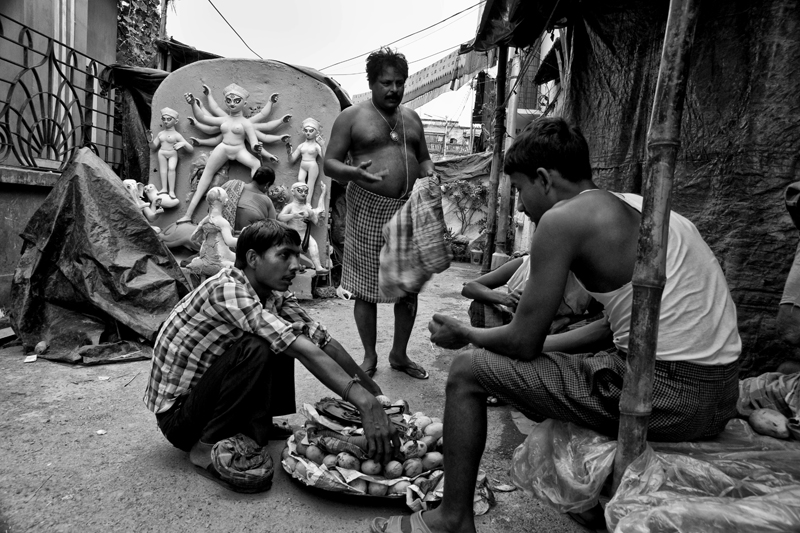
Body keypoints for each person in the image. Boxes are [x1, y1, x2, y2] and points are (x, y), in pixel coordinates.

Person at [370, 117, 742, 533]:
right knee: (552, 363)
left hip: (669, 395)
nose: (523, 205)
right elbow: (605, 330)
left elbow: (523, 342)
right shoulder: (640, 205)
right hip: (720, 391)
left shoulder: (563, 219)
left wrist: (467, 334)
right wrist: (541, 351)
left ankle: (452, 518)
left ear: (543, 179)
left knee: (466, 372)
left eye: (519, 189)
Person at [144, 219, 398, 493]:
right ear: (252, 258)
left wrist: (374, 393)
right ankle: (205, 447)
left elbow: (320, 341)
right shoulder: (228, 289)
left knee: (286, 333)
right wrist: (364, 404)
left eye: (297, 255)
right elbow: (301, 349)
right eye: (284, 255)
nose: (297, 265)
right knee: (259, 345)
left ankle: (257, 425)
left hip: (204, 397)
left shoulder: (272, 294)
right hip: (180, 417)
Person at [324, 47, 434, 380]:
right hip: (366, 209)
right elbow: (329, 163)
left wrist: (431, 173)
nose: (394, 90)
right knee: (364, 287)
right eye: (386, 82)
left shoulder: (412, 119)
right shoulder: (352, 117)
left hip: (407, 210)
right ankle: (369, 357)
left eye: (399, 82)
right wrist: (352, 174)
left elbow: (425, 158)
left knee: (408, 288)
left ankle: (399, 355)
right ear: (372, 83)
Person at [462, 254, 597, 406]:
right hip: (513, 330)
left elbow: (600, 316)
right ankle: (494, 371)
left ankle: (506, 380)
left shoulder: (590, 277)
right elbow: (469, 287)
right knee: (480, 306)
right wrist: (502, 297)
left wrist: (566, 320)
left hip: (554, 337)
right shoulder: (525, 263)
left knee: (590, 333)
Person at [178, 84, 283, 225]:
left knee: (256, 164)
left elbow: (253, 142)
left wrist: (256, 147)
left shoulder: (246, 123)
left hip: (239, 150)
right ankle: (188, 214)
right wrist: (193, 104)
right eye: (229, 100)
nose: (232, 103)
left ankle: (255, 198)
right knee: (205, 176)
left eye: (236, 100)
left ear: (244, 103)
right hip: (223, 148)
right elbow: (202, 117)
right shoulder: (224, 119)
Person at [185, 186, 237, 278]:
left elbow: (193, 238)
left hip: (206, 256)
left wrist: (204, 230)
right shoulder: (222, 222)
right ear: (225, 202)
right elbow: (230, 242)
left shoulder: (206, 220)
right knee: (242, 262)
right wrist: (244, 236)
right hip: (218, 259)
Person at [278, 181, 328, 273]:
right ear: (293, 192)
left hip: (305, 235)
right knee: (290, 250)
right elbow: (280, 217)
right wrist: (293, 215)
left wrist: (320, 218)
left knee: (313, 245)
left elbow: (318, 224)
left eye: (306, 191)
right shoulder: (290, 207)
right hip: (292, 235)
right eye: (300, 191)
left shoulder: (307, 209)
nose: (303, 193)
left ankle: (318, 267)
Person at [148, 107, 194, 200]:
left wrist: (183, 144)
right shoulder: (161, 134)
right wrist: (150, 141)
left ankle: (171, 191)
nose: (166, 122)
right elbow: (153, 147)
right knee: (163, 170)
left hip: (172, 153)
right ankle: (164, 188)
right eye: (163, 119)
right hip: (161, 153)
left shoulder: (176, 135)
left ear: (175, 121)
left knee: (172, 169)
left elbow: (191, 149)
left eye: (169, 119)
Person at [287, 117, 325, 204]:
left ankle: (308, 205)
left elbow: (324, 157)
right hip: (303, 164)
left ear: (316, 132)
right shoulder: (301, 146)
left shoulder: (316, 146)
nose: (308, 133)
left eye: (311, 131)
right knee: (301, 183)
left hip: (312, 165)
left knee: (310, 186)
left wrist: (323, 145)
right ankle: (301, 204)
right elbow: (292, 160)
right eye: (306, 130)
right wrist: (289, 153)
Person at [230, 166, 278, 232]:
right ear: (267, 184)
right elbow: (273, 230)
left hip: (221, 236)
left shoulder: (232, 185)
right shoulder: (267, 201)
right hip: (250, 239)